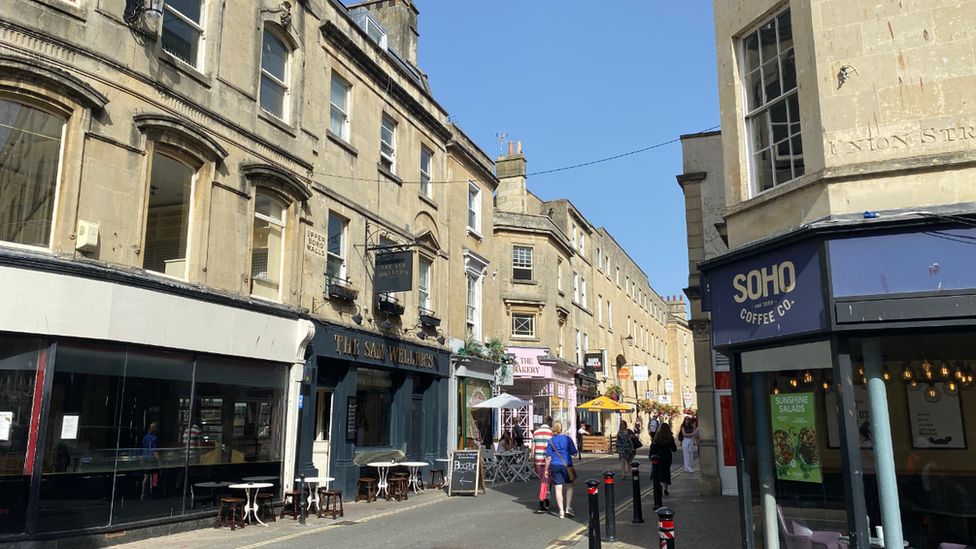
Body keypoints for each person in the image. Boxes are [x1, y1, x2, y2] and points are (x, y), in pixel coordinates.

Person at [544, 421, 577, 518]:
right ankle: (568, 507)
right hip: (567, 464)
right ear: (561, 428)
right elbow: (574, 453)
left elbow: (548, 457)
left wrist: (546, 469)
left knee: (558, 488)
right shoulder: (567, 439)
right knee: (570, 486)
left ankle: (561, 511)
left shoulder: (551, 441)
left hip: (555, 465)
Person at [531, 416, 553, 514]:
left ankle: (546, 500)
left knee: (543, 480)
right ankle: (542, 501)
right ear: (550, 422)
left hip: (538, 460)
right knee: (546, 481)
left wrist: (532, 460)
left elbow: (533, 448)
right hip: (549, 460)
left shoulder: (535, 432)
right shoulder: (551, 433)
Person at [649, 423, 677, 495]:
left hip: (658, 457)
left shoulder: (657, 436)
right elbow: (674, 449)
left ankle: (659, 485)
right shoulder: (670, 437)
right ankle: (665, 489)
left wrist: (651, 456)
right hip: (667, 457)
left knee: (658, 472)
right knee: (666, 472)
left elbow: (653, 447)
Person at [141, 422, 160, 500]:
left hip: (145, 458)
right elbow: (155, 451)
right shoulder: (155, 438)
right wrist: (159, 461)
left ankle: (143, 493)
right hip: (152, 459)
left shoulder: (145, 437)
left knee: (146, 476)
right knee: (155, 475)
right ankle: (153, 491)